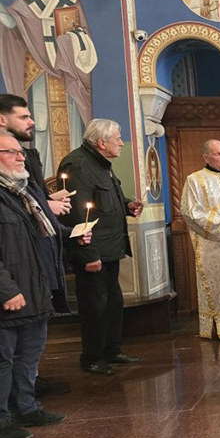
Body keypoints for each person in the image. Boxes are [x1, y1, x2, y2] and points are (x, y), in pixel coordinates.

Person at [0, 130, 91, 438]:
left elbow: (46, 232)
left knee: (29, 354)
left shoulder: (26, 191)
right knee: (4, 359)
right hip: (12, 291)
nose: (20, 157)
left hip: (37, 286)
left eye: (20, 152)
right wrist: (6, 290)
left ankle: (26, 406)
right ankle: (2, 418)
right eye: (11, 152)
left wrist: (73, 234)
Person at [0, 0, 96, 176]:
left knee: (70, 124)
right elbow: (13, 28)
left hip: (65, 73)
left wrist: (71, 40)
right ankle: (44, 177)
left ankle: (75, 176)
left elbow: (84, 34)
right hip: (38, 74)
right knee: (40, 124)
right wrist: (6, 18)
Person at [58, 119, 143, 375]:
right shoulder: (79, 165)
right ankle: (92, 358)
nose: (121, 143)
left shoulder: (102, 164)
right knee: (95, 307)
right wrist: (88, 255)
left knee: (113, 303)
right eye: (117, 138)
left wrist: (126, 205)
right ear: (101, 142)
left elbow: (104, 199)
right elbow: (77, 214)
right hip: (94, 251)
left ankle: (111, 350)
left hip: (110, 247)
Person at [180, 140, 220, 340]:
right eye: (217, 154)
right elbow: (190, 213)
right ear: (206, 157)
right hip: (215, 246)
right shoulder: (195, 180)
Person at [0, 95, 69, 217]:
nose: (32, 122)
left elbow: (37, 193)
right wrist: (44, 206)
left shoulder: (30, 156)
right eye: (23, 117)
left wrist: (50, 201)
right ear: (2, 120)